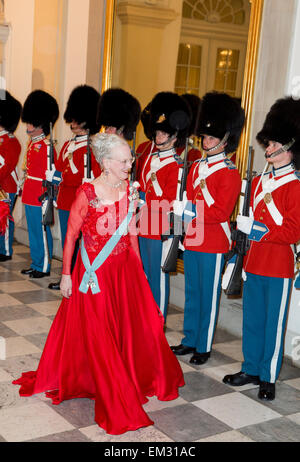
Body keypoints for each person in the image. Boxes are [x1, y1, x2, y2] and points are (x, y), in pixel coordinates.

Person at [13, 133, 184, 435]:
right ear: (106, 163)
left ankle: (122, 375)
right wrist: (66, 274)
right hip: (92, 276)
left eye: (130, 160)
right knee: (98, 332)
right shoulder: (87, 192)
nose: (130, 165)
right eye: (124, 161)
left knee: (128, 328)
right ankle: (112, 391)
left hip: (124, 273)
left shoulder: (130, 190)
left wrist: (140, 273)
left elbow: (130, 234)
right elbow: (71, 236)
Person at [223, 96, 300, 401]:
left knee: (273, 324)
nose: (268, 149)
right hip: (254, 261)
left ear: (289, 148)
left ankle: (268, 376)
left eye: (272, 144)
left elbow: (293, 231)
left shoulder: (295, 185)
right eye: (267, 144)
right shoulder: (257, 182)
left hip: (279, 264)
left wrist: (260, 231)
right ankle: (251, 367)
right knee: (252, 319)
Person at [171, 91, 244, 364]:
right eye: (205, 137)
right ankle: (190, 339)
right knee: (192, 293)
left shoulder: (228, 172)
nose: (206, 141)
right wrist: (182, 226)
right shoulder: (197, 166)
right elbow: (188, 198)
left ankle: (203, 345)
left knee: (208, 297)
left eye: (212, 138)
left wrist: (189, 211)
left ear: (225, 140)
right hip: (193, 237)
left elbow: (220, 212)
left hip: (213, 241)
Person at [138, 91, 191, 319]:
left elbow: (169, 200)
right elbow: (142, 187)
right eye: (157, 131)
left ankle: (156, 321)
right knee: (144, 275)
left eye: (163, 133)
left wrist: (153, 181)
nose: (158, 136)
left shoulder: (177, 165)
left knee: (157, 277)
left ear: (173, 136)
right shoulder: (151, 158)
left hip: (160, 227)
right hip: (143, 223)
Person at [48, 85, 102, 290]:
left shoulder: (91, 147)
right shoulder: (68, 145)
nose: (73, 123)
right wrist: (54, 176)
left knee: (81, 242)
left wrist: (60, 176)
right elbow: (62, 170)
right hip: (64, 200)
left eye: (77, 119)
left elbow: (84, 176)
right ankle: (67, 274)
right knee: (67, 240)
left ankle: (79, 275)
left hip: (80, 201)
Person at [20, 90, 59, 278]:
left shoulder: (47, 146)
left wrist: (51, 196)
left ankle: (44, 266)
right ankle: (36, 262)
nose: (27, 125)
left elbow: (54, 174)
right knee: (33, 231)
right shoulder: (32, 144)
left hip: (40, 194)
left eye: (31, 122)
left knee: (42, 232)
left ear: (40, 125)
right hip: (29, 192)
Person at [0, 91, 22, 261]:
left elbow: (7, 165)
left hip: (7, 185)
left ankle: (6, 251)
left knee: (5, 219)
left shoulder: (11, 140)